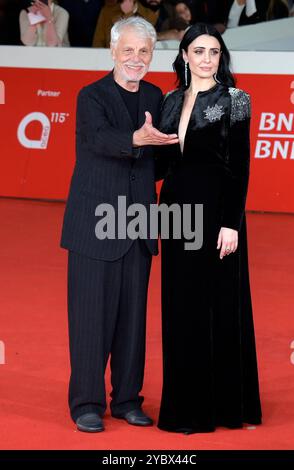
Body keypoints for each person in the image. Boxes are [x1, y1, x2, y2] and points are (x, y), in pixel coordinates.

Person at [60, 16, 178, 433]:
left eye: (143, 51)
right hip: (94, 224)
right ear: (112, 52)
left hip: (140, 224)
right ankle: (86, 403)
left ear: (151, 56)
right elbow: (98, 139)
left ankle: (128, 399)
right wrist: (137, 139)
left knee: (133, 321)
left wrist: (182, 144)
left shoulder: (154, 94)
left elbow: (158, 161)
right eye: (127, 50)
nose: (135, 58)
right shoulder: (90, 96)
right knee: (91, 319)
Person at [157, 23, 262, 433]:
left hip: (218, 215)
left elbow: (240, 168)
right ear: (184, 55)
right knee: (181, 308)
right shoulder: (169, 100)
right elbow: (164, 166)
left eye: (213, 52)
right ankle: (185, 406)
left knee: (219, 307)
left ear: (221, 57)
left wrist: (230, 223)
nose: (205, 58)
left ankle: (223, 406)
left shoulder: (236, 100)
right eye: (198, 51)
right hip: (176, 215)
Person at [92, 0, 157, 48]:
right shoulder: (107, 12)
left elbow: (142, 43)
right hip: (110, 59)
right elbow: (98, 42)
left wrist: (128, 14)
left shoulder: (150, 15)